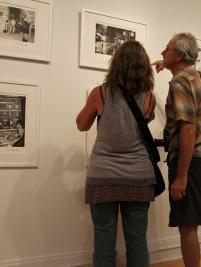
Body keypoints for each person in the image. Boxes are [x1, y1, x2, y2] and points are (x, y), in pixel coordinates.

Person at [76, 40, 156, 267]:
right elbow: (143, 123)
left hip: (103, 176)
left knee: (103, 240)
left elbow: (82, 125)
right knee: (137, 240)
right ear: (144, 67)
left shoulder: (99, 94)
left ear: (116, 63)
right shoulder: (149, 98)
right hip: (138, 177)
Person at [152, 33, 201, 267]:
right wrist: (164, 64)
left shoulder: (178, 83)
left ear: (179, 55)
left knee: (188, 225)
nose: (162, 53)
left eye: (166, 49)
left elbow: (188, 130)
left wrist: (181, 176)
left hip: (192, 161)